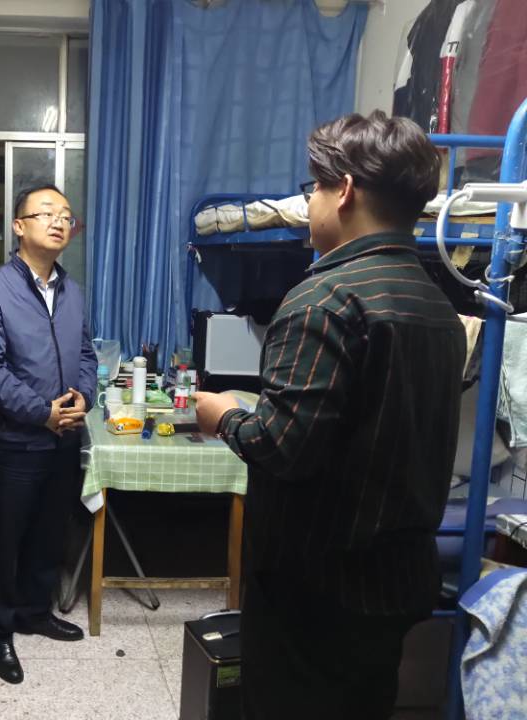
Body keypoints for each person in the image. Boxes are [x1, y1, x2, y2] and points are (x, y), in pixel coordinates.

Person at [192, 111, 466, 720]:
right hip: (396, 580)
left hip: (316, 589)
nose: (308, 201)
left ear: (343, 190)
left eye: (313, 186)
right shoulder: (437, 306)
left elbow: (282, 448)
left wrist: (224, 415)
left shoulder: (324, 299)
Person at [0, 183, 98, 684]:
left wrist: (85, 397)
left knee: (50, 532)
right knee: (5, 539)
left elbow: (85, 354)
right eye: (46, 213)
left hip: (64, 439)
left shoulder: (72, 291)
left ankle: (34, 612)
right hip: (17, 443)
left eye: (66, 214)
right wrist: (42, 412)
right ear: (19, 226)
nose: (59, 221)